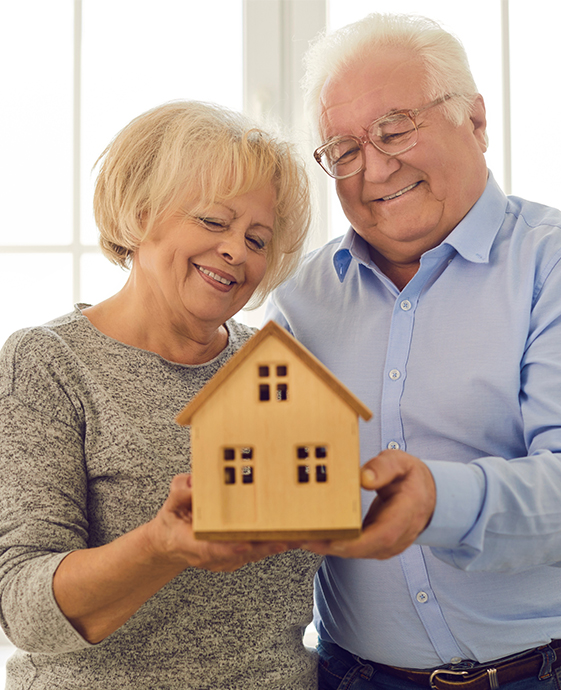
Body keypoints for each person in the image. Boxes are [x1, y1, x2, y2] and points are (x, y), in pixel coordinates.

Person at [266, 13, 561, 690]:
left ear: (476, 121)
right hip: (354, 675)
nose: (376, 167)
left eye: (395, 129)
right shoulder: (298, 301)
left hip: (556, 673)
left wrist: (437, 503)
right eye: (344, 149)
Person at [0, 100, 321, 689]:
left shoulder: (276, 366)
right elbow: (22, 609)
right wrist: (161, 546)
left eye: (257, 238)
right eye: (212, 221)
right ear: (140, 212)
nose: (237, 251)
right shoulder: (49, 364)